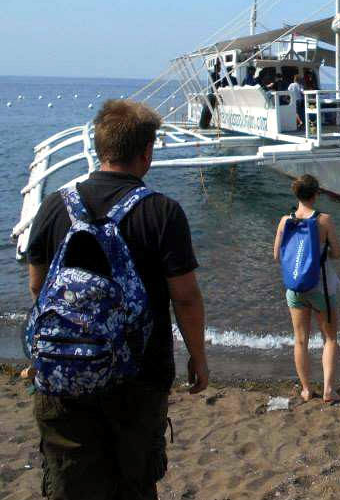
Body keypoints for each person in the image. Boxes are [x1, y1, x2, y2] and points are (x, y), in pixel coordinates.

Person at [26, 99, 208, 500]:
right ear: (146, 152)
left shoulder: (55, 205)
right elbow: (186, 299)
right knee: (134, 483)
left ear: (99, 146)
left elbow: (38, 288)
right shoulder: (162, 212)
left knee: (68, 483)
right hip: (138, 378)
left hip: (63, 374)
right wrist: (198, 356)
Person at [273, 174, 340, 403]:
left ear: (297, 194)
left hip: (295, 287)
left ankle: (305, 389)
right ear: (316, 194)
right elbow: (338, 253)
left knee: (300, 339)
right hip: (322, 286)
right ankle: (328, 390)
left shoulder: (285, 221)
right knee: (330, 339)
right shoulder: (324, 220)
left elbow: (277, 255)